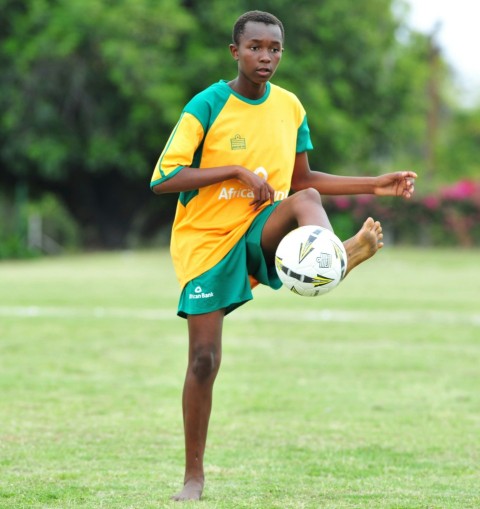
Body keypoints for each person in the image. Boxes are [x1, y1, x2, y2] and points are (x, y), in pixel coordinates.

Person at [150, 10, 417, 501]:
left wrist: (373, 184)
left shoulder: (290, 107)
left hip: (258, 228)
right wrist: (234, 170)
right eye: (255, 47)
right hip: (205, 244)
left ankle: (335, 258)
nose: (265, 57)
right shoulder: (207, 104)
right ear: (235, 52)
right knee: (204, 359)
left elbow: (304, 180)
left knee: (305, 202)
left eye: (274, 49)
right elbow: (163, 178)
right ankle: (194, 477)